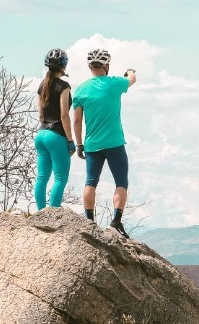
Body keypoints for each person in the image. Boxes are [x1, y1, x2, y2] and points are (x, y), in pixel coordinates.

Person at [72, 48, 136, 238]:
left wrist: (79, 144)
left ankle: (89, 221)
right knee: (121, 182)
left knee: (90, 181)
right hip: (115, 142)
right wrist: (130, 71)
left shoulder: (81, 90)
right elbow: (132, 79)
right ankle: (116, 222)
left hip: (92, 144)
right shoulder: (114, 83)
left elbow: (77, 120)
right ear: (107, 65)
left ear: (90, 67)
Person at [33, 48, 75, 210]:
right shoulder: (64, 86)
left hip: (41, 134)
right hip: (56, 135)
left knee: (42, 177)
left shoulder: (42, 85)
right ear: (64, 66)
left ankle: (40, 213)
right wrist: (70, 140)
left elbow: (41, 115)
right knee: (60, 178)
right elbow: (64, 115)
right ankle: (53, 214)